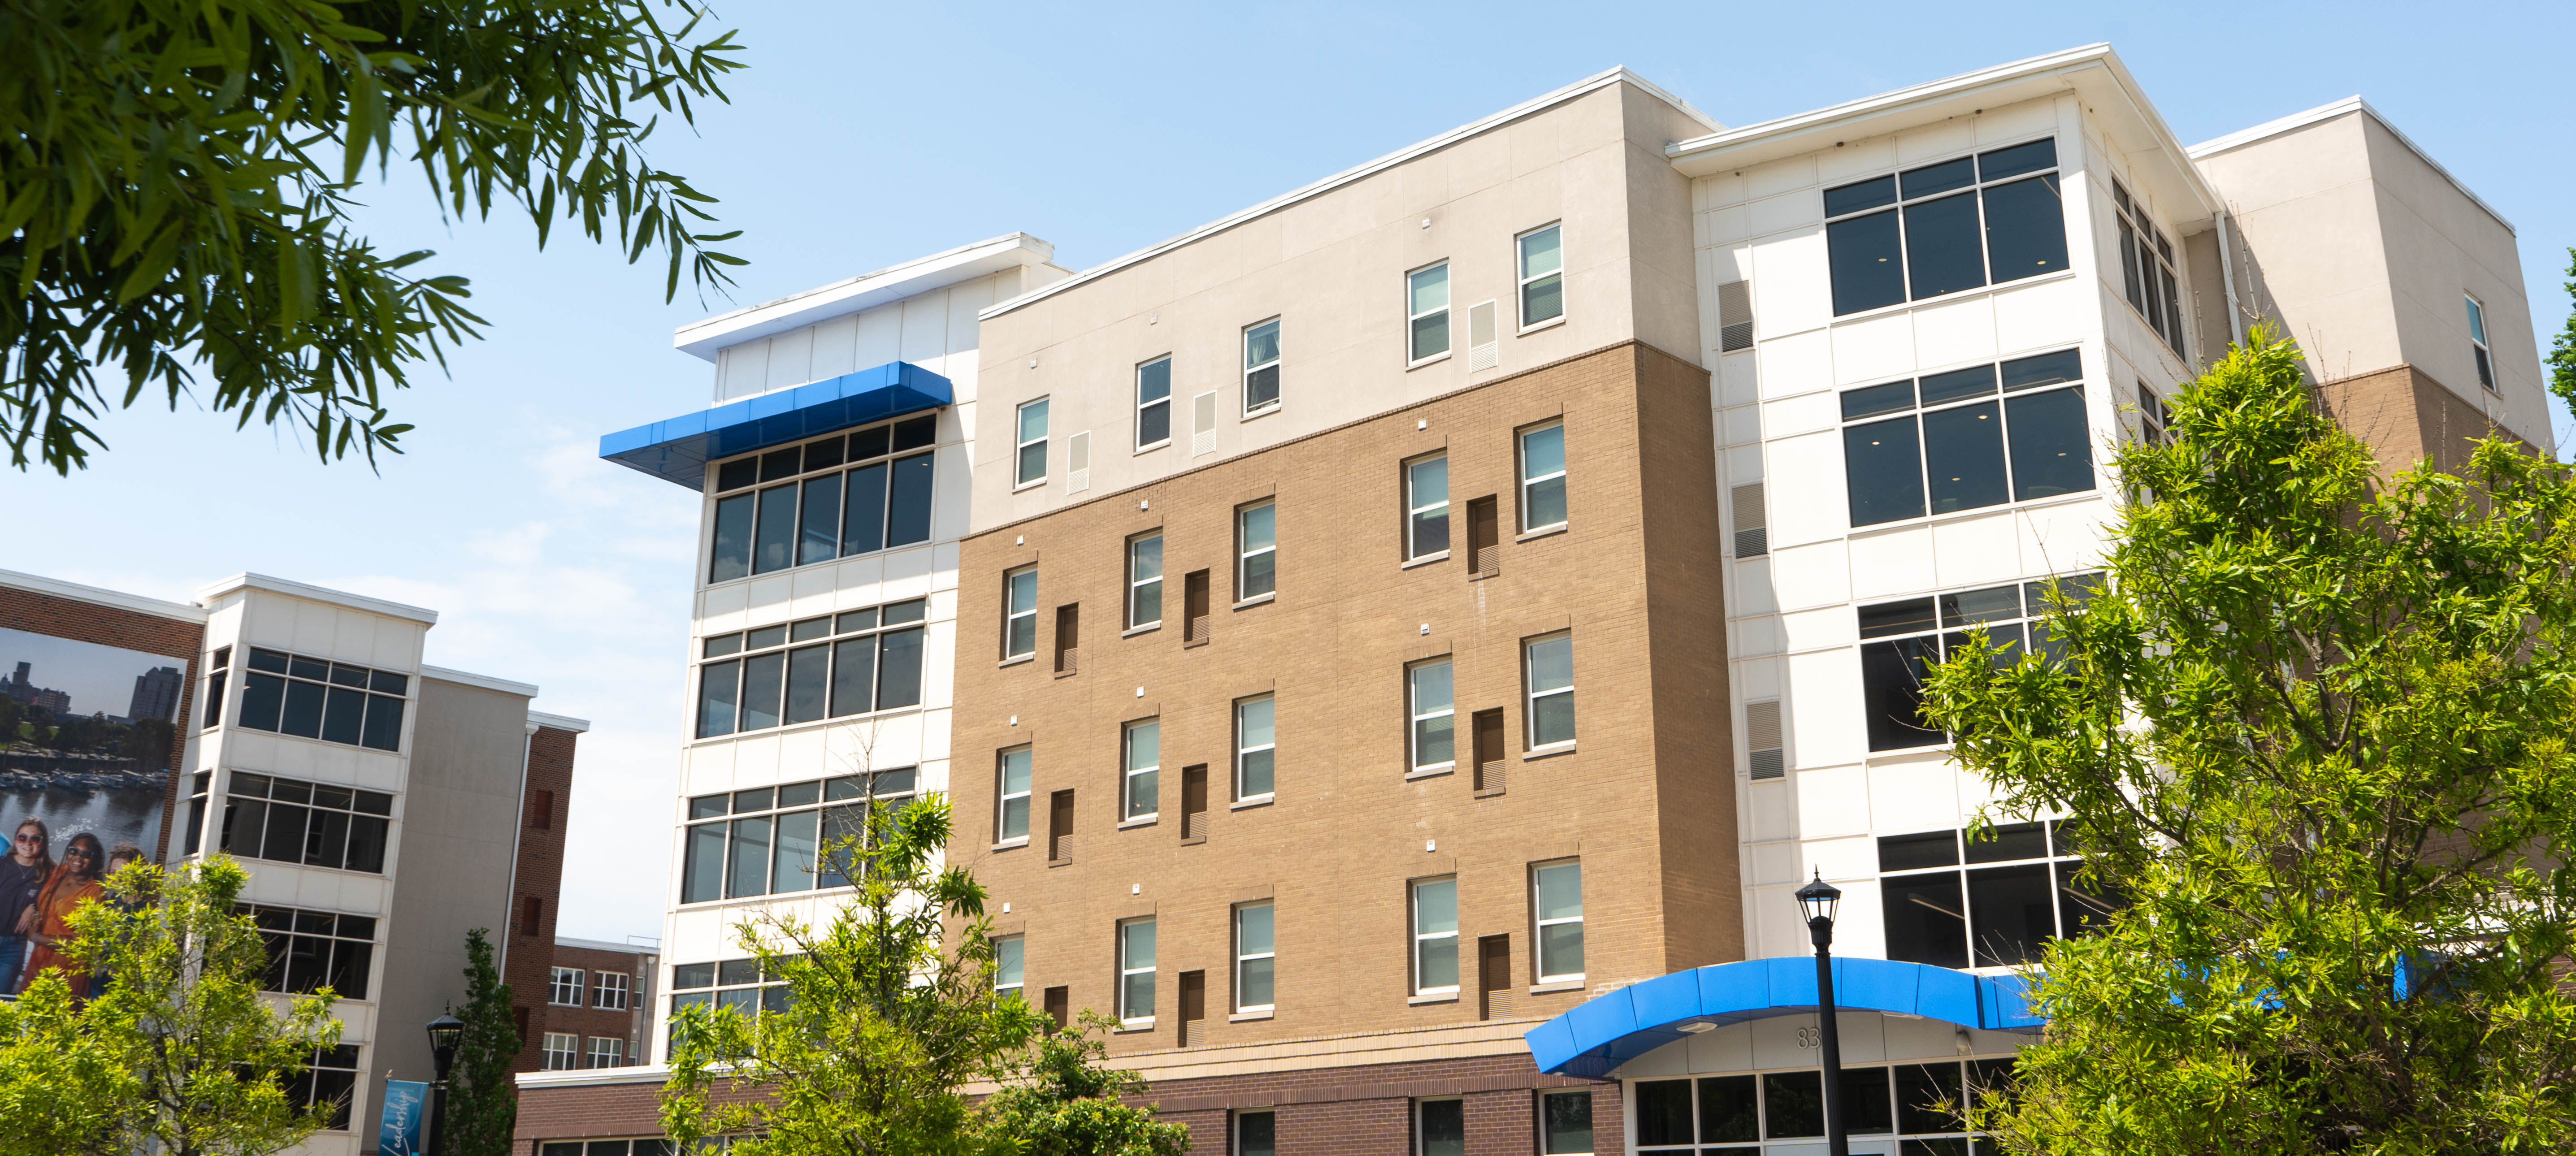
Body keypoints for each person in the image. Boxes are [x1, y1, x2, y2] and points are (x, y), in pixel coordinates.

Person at [21, 832, 106, 999]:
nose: (78, 857)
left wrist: (36, 937)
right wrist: (31, 908)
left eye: (86, 854)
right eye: (74, 851)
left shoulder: (96, 894)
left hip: (67, 970)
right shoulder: (58, 872)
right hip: (39, 960)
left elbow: (80, 943)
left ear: (95, 860)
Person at [0, 818, 53, 996]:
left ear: (43, 843)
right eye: (23, 838)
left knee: (3, 1002)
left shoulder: (50, 873)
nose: (28, 844)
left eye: (35, 839)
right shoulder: (3, 865)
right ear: (16, 841)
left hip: (15, 947)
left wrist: (35, 908)